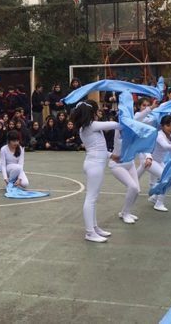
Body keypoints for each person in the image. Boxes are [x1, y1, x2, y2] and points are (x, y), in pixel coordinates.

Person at [70, 100, 120, 243]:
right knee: (91, 198)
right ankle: (90, 232)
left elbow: (97, 147)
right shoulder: (92, 125)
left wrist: (111, 155)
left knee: (93, 198)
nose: (99, 113)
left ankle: (94, 228)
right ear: (91, 112)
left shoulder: (85, 128)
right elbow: (116, 125)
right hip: (95, 165)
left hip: (93, 163)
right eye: (97, 110)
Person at [139, 115, 171, 213]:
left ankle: (154, 197)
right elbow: (166, 146)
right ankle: (159, 203)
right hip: (149, 160)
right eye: (168, 125)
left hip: (158, 161)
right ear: (162, 126)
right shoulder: (159, 135)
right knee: (167, 180)